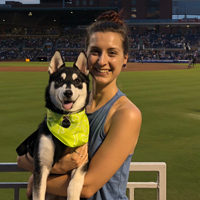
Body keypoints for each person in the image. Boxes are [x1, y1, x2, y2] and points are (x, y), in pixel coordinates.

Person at [17, 10, 142, 200]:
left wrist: (37, 181)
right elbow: (23, 158)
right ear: (86, 55)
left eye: (112, 53)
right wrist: (58, 166)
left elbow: (87, 187)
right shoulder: (69, 106)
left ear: (125, 58)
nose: (102, 61)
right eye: (95, 52)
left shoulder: (126, 114)